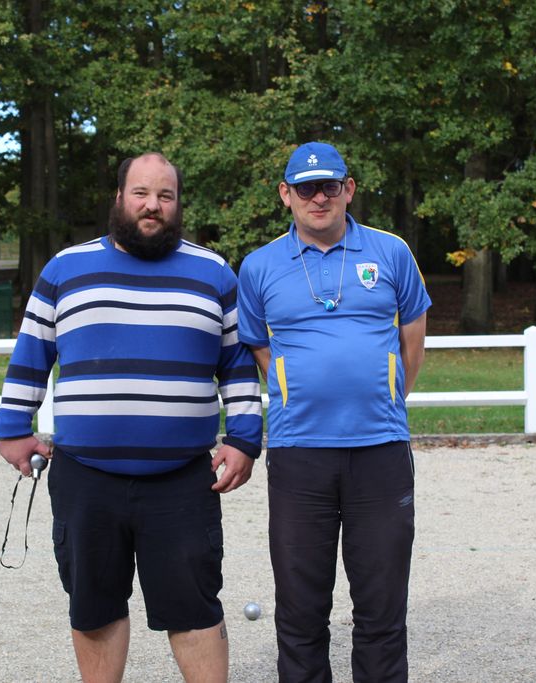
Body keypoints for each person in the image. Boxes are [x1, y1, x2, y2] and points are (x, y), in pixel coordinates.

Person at [0, 152, 263, 683]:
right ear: (119, 198)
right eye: (141, 193)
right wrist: (13, 428)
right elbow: (32, 351)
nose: (152, 205)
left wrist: (244, 438)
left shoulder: (213, 273)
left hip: (183, 479)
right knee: (94, 607)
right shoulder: (65, 269)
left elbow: (236, 364)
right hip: (85, 476)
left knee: (195, 606)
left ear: (178, 204)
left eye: (165, 196)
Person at [237, 142, 431, 683]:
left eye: (329, 186)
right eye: (306, 188)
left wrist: (385, 395)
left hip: (380, 450)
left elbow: (413, 338)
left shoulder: (391, 252)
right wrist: (297, 387)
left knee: (381, 608)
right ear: (286, 194)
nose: (318, 198)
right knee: (300, 610)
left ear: (349, 189)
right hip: (299, 454)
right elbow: (258, 346)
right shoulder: (258, 266)